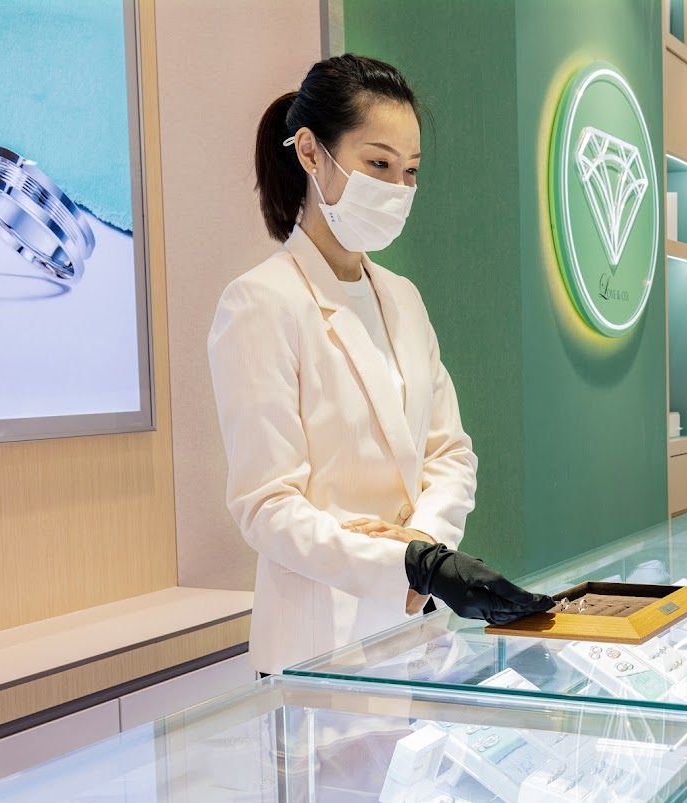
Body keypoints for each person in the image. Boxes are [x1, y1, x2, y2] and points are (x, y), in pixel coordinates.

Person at [208, 54, 551, 675]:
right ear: (310, 153)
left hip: (414, 633)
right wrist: (406, 565)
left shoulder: (404, 299)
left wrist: (421, 552)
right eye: (378, 164)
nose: (397, 189)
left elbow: (450, 454)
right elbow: (267, 506)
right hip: (318, 645)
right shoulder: (260, 302)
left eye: (410, 171)